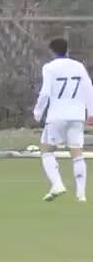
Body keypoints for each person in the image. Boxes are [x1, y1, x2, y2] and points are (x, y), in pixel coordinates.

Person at [34, 38, 93, 202]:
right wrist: (91, 112)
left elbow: (45, 92)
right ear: (67, 50)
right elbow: (89, 88)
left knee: (46, 150)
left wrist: (38, 112)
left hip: (57, 115)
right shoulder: (78, 66)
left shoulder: (49, 68)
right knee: (77, 152)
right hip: (77, 115)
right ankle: (81, 195)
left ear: (52, 52)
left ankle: (57, 184)